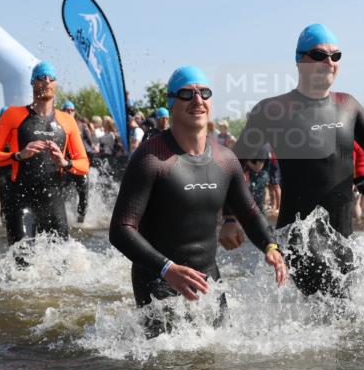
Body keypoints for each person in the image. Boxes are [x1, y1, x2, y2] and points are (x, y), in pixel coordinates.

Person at [221, 23, 364, 297]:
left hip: (343, 239)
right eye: (319, 55)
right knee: (331, 318)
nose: (329, 62)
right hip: (299, 240)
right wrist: (230, 217)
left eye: (335, 55)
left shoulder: (348, 105)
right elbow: (233, 167)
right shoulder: (272, 110)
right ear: (299, 61)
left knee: (345, 323)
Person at [108, 66, 286, 336]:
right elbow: (120, 229)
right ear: (171, 102)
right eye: (187, 94)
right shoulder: (151, 158)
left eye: (204, 93)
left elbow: (250, 213)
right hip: (158, 281)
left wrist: (270, 246)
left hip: (208, 280)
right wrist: (166, 269)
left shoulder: (225, 159)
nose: (198, 100)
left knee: (216, 364)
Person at [0, 61, 89, 259]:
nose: (47, 81)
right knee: (22, 265)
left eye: (51, 78)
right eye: (41, 77)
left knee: (61, 267)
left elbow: (83, 164)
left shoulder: (67, 121)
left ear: (56, 84)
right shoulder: (13, 115)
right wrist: (18, 155)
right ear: (33, 83)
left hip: (54, 203)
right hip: (21, 201)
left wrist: (65, 163)